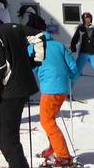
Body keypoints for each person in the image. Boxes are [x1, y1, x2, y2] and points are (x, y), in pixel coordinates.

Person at [0, 10, 44, 168]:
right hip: (19, 87)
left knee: (9, 137)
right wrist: (36, 60)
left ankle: (17, 163)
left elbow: (1, 69)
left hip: (12, 91)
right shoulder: (14, 27)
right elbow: (39, 36)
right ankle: (15, 160)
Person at [36, 25, 80, 166]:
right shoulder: (59, 45)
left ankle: (63, 155)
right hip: (62, 89)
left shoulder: (35, 47)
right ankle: (53, 148)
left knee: (47, 121)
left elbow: (32, 67)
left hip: (50, 89)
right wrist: (71, 78)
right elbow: (73, 67)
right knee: (50, 119)